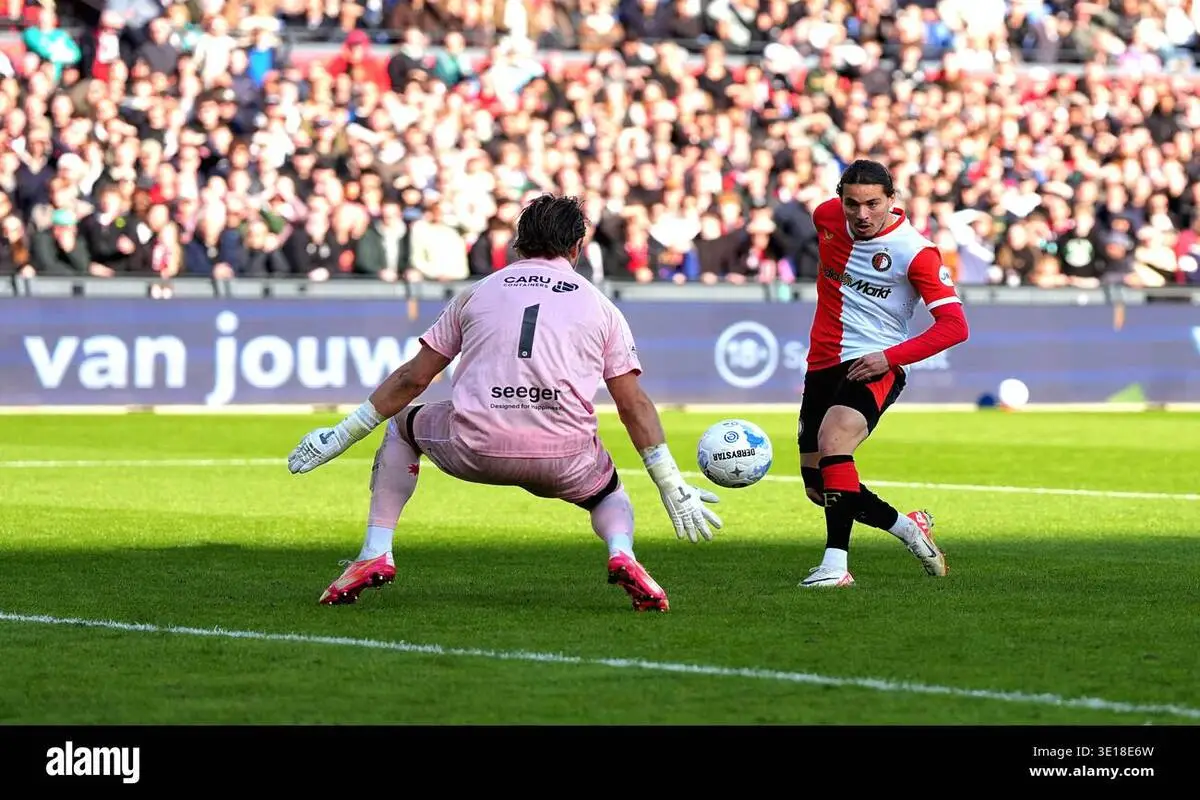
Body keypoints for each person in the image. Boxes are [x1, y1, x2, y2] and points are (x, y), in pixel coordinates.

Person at [286, 194, 722, 611]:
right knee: (609, 494)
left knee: (403, 423)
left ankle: (375, 550)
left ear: (518, 242)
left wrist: (340, 436)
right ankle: (621, 551)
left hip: (475, 446)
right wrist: (670, 483)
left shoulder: (478, 292)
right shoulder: (600, 306)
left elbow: (413, 378)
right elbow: (633, 404)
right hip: (563, 456)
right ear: (577, 247)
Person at [797, 160, 970, 588]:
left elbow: (955, 326)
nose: (862, 214)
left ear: (892, 200)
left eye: (873, 203)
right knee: (821, 487)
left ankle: (836, 567)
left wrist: (889, 358)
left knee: (834, 440)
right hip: (820, 364)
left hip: (872, 364)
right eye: (852, 203)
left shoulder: (917, 252)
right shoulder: (825, 218)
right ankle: (909, 529)